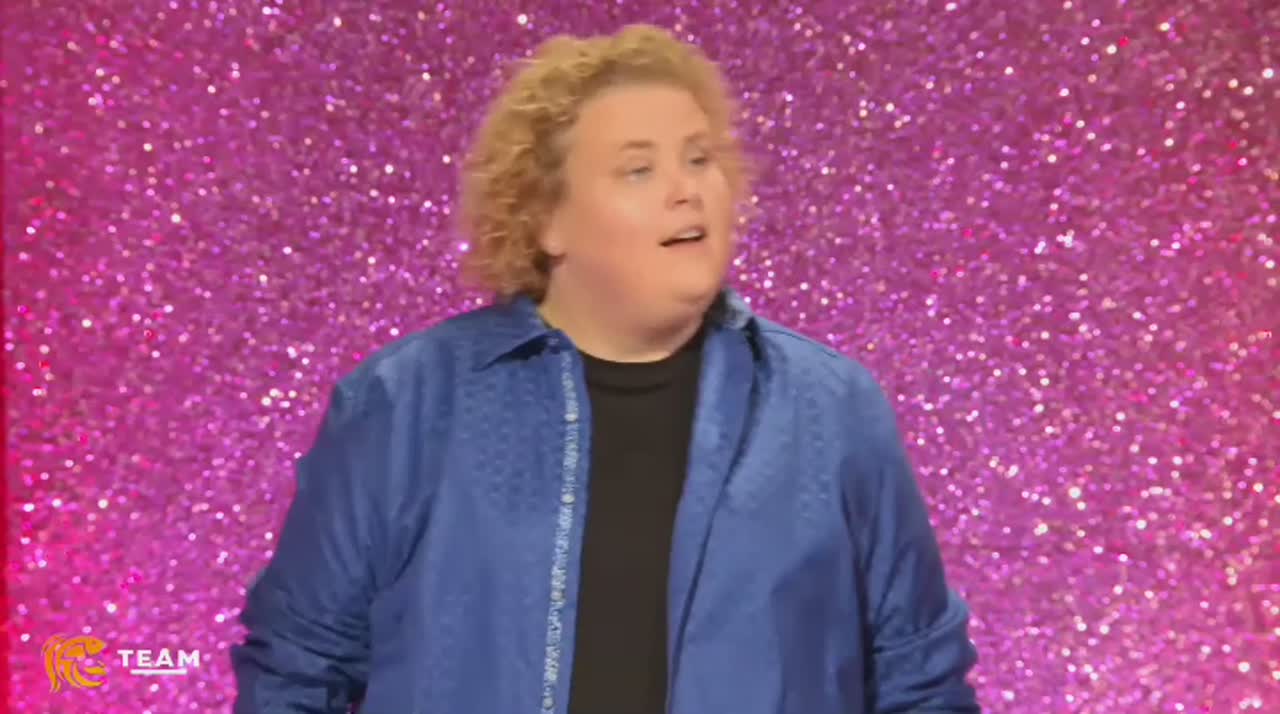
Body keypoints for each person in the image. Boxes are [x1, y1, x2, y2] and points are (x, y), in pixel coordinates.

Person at [230, 23, 981, 714]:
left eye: (700, 159)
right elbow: (295, 671)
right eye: (638, 170)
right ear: (546, 219)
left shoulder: (831, 410)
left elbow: (922, 684)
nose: (686, 189)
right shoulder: (406, 406)